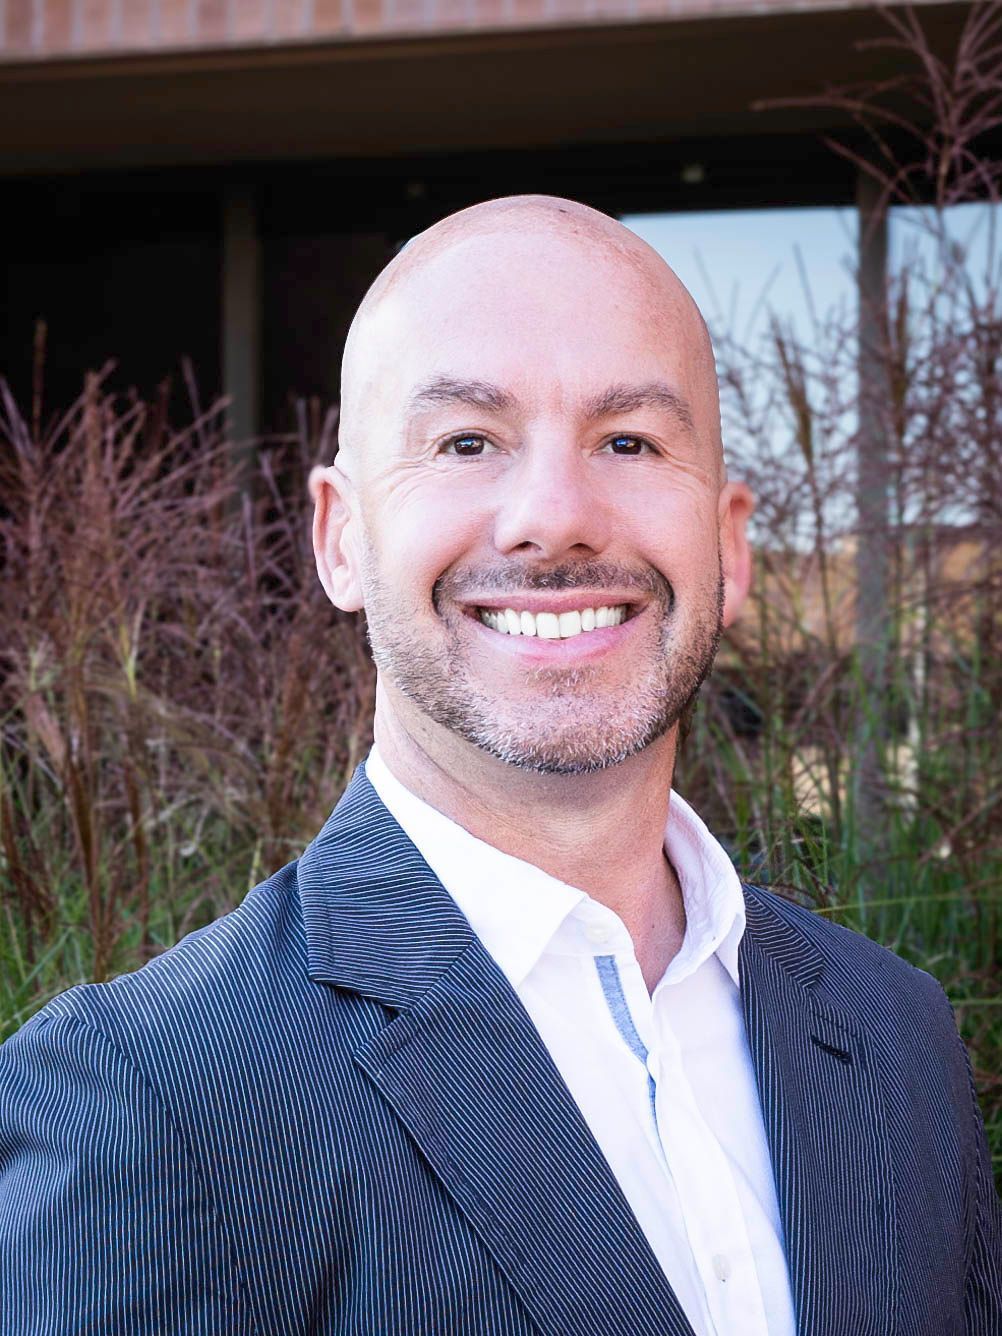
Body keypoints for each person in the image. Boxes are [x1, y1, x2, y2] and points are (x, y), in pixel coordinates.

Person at [0, 196, 998, 1336]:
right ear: (340, 536)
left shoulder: (897, 1031)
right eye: (466, 442)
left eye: (628, 441)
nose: (553, 518)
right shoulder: (137, 1102)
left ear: (729, 542)